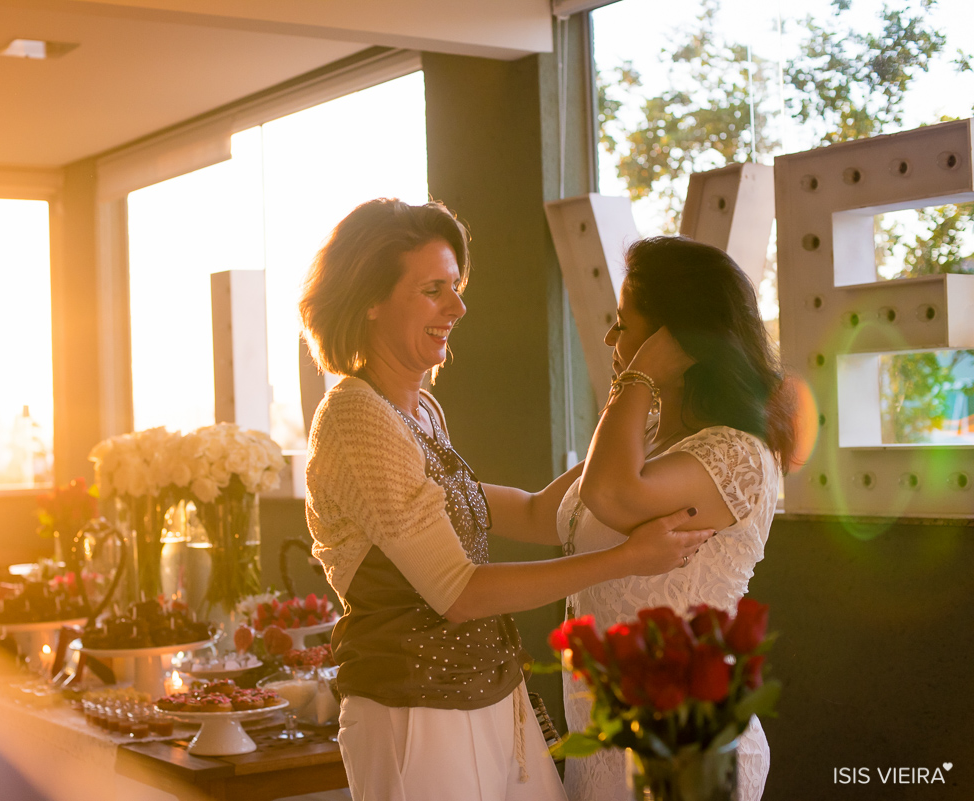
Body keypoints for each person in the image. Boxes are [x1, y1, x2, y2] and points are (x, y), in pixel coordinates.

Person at [299, 199, 715, 801]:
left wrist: (651, 429)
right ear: (370, 298)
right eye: (434, 288)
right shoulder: (357, 418)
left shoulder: (418, 412)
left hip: (483, 694)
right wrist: (629, 558)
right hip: (415, 712)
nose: (458, 307)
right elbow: (460, 593)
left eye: (457, 286)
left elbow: (536, 513)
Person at [559, 236, 797, 801]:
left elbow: (612, 496)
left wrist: (635, 380)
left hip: (688, 749)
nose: (613, 339)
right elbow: (539, 510)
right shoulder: (645, 435)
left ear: (673, 339)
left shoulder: (736, 452)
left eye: (624, 324)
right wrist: (420, 477)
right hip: (603, 735)